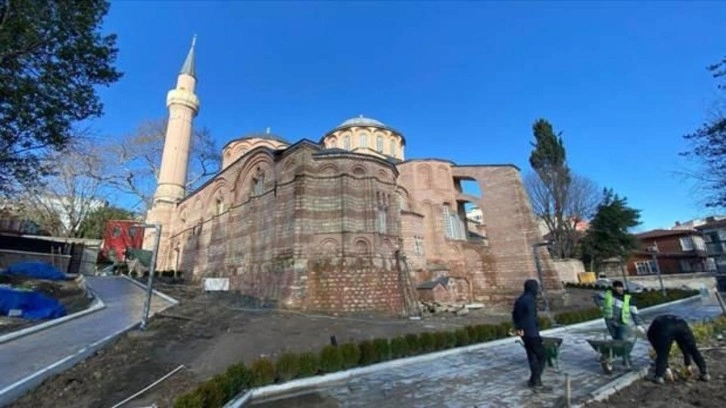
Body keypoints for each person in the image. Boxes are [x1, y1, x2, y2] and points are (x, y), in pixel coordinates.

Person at [647, 314, 711, 384]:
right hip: (681, 324)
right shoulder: (655, 328)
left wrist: (667, 368)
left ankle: (659, 377)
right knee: (693, 349)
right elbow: (684, 346)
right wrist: (687, 364)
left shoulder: (651, 334)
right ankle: (704, 373)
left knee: (662, 354)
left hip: (666, 327)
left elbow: (661, 352)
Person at [512, 279, 549, 391]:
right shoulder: (530, 300)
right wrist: (535, 329)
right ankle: (536, 380)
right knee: (542, 356)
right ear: (533, 288)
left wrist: (518, 329)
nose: (537, 290)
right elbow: (532, 317)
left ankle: (533, 381)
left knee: (531, 355)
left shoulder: (519, 300)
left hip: (523, 332)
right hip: (531, 332)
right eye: (536, 288)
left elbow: (514, 315)